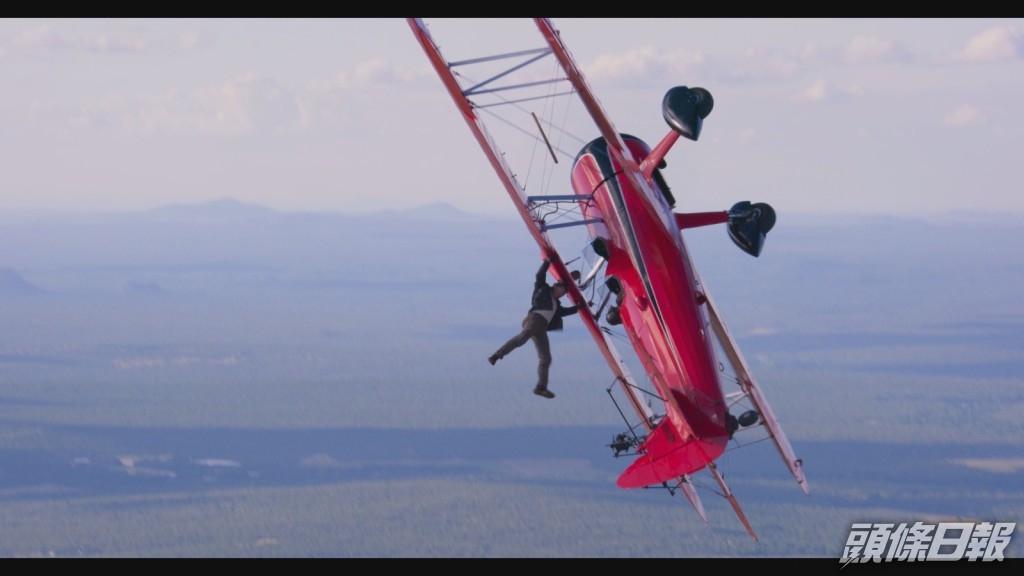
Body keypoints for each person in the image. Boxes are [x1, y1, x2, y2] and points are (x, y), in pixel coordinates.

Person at [488, 257, 580, 399]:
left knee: (546, 358)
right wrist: (547, 262)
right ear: (555, 286)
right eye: (561, 288)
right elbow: (539, 276)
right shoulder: (543, 290)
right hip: (534, 319)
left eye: (565, 291)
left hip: (541, 327)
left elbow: (565, 312)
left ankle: (541, 387)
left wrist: (580, 307)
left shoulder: (557, 305)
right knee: (521, 339)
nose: (563, 292)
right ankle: (496, 356)